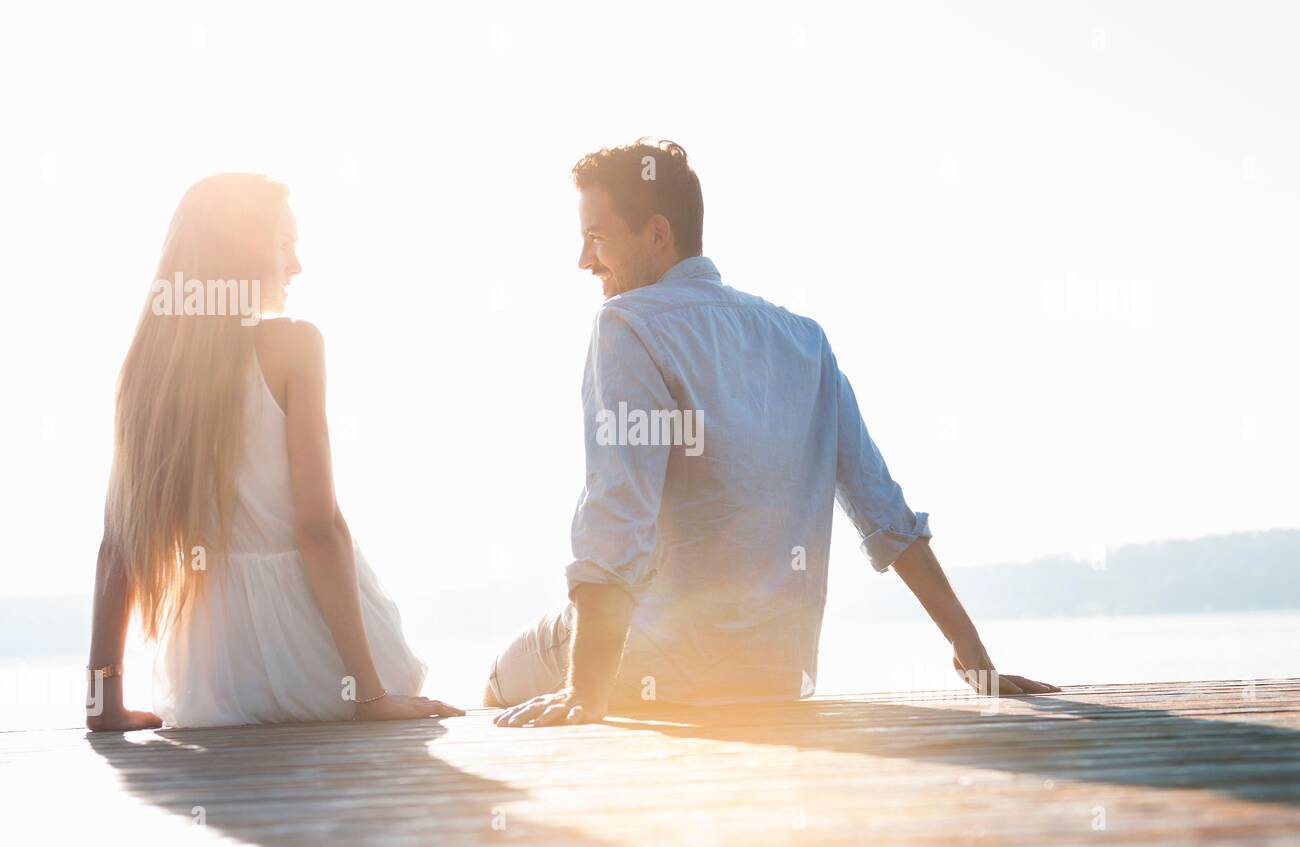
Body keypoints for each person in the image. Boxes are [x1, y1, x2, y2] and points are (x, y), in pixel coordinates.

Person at [489, 140, 1058, 728]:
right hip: (772, 674)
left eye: (597, 236)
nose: (584, 259)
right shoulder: (803, 339)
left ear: (657, 234)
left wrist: (585, 692)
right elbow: (883, 511)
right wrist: (977, 660)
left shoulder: (626, 324)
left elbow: (616, 511)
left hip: (651, 667)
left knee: (495, 684)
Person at [86, 173, 464, 730]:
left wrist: (103, 703)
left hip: (214, 682)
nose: (297, 265)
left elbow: (117, 549)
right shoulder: (294, 346)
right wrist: (368, 694)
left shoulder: (147, 374)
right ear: (239, 252)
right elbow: (317, 528)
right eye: (284, 243)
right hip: (322, 665)